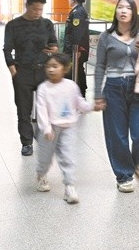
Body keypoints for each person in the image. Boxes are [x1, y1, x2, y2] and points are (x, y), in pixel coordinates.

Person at [93, 0, 139, 193]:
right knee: (117, 135)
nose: (123, 11)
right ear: (116, 11)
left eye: (128, 8)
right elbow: (100, 66)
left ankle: (135, 164)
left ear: (133, 12)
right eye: (120, 7)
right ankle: (123, 176)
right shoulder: (106, 37)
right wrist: (97, 94)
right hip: (113, 87)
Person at [35, 53, 100, 204]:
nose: (51, 70)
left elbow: (79, 103)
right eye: (48, 67)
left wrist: (92, 106)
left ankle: (69, 187)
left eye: (55, 66)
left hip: (68, 128)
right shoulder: (43, 88)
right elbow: (41, 110)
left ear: (65, 69)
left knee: (67, 156)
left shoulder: (71, 86)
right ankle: (41, 174)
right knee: (45, 158)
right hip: (50, 129)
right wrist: (46, 128)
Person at [3, 0, 58, 156]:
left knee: (46, 108)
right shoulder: (13, 25)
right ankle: (26, 143)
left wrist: (53, 49)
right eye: (35, 9)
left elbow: (54, 44)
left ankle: (45, 137)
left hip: (43, 71)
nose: (38, 13)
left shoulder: (47, 24)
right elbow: (7, 49)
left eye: (41, 9)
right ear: (27, 6)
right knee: (23, 110)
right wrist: (14, 72)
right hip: (23, 71)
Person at [63, 0, 90, 97]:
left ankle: (80, 92)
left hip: (75, 49)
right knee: (77, 69)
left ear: (73, 0)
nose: (69, 1)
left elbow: (77, 32)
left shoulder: (78, 12)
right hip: (75, 48)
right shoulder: (78, 11)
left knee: (76, 70)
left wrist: (76, 49)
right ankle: (79, 92)